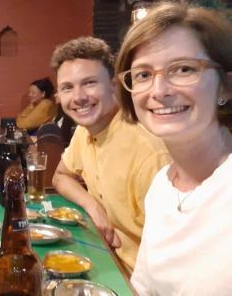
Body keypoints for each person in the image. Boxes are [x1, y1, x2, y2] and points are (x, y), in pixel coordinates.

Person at [116, 2, 232, 295]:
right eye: (143, 74)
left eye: (183, 69)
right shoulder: (163, 186)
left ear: (225, 87)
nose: (159, 91)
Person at [50, 36, 170, 273]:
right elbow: (60, 176)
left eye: (90, 83)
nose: (78, 97)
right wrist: (94, 208)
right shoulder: (85, 131)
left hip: (138, 280)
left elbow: (174, 256)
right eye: (67, 87)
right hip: (106, 258)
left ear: (114, 85)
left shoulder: (149, 152)